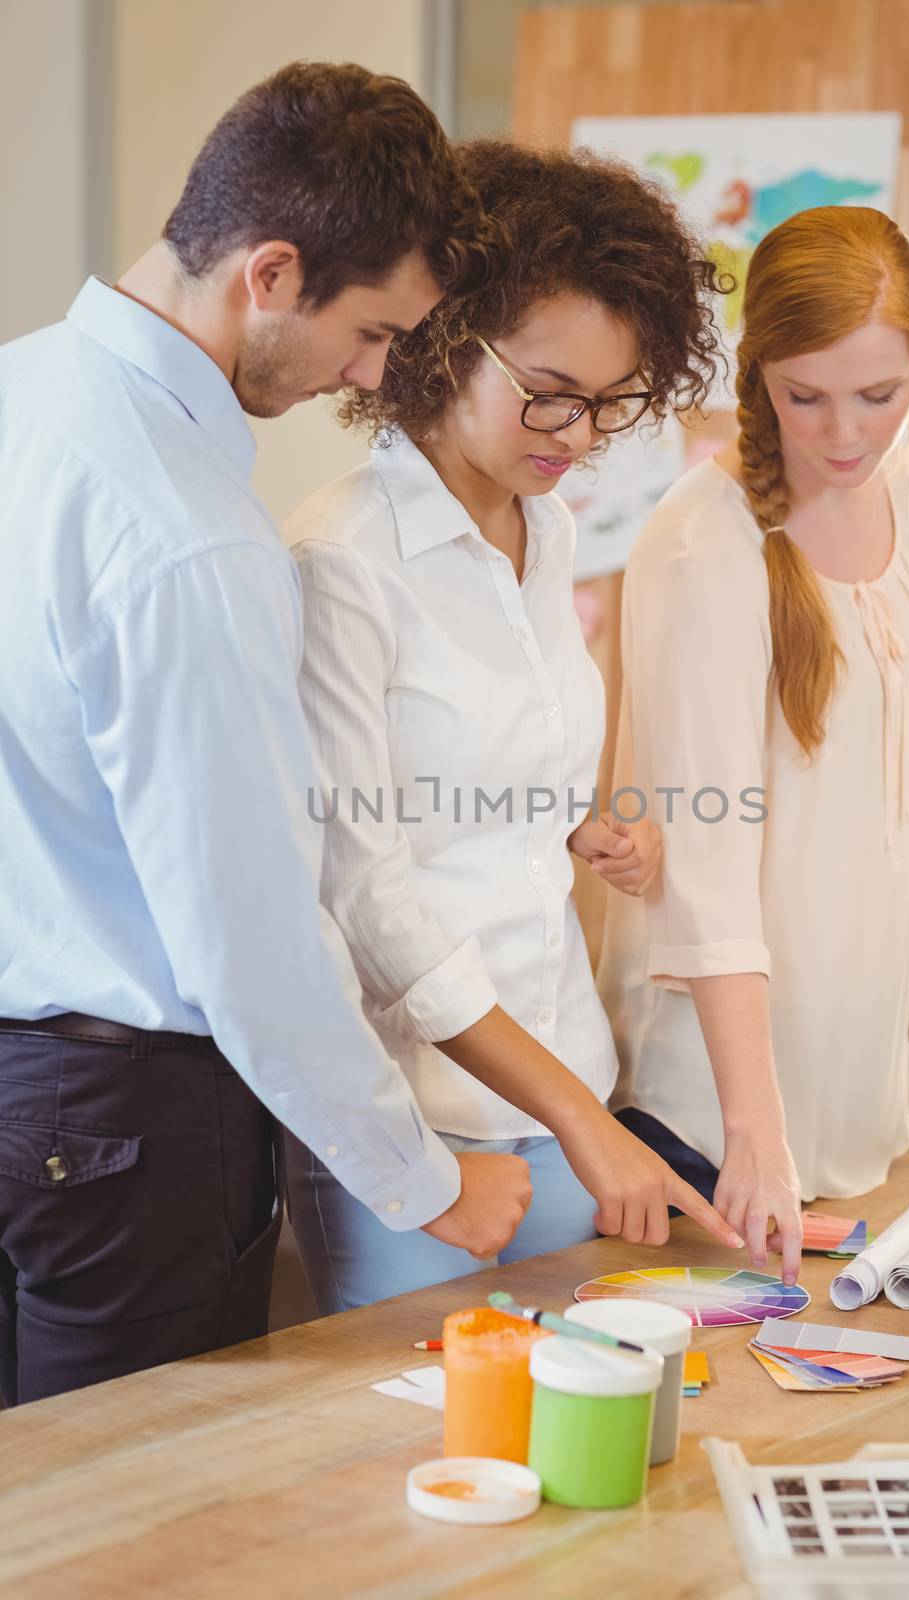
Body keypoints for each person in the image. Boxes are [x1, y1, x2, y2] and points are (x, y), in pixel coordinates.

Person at [0, 62, 536, 1407]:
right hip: (124, 1121)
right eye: (369, 333)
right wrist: (428, 1178)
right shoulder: (191, 536)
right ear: (272, 272)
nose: (365, 376)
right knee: (126, 1526)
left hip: (27, 1090)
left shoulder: (18, 400)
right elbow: (248, 940)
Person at [284, 140, 747, 1310]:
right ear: (441, 337)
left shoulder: (550, 535)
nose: (579, 435)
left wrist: (578, 817)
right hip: (436, 1140)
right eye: (549, 392)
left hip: (569, 1096)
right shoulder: (340, 560)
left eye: (609, 404)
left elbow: (476, 765)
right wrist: (577, 1117)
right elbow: (366, 896)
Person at [601, 206, 909, 1286]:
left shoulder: (906, 492)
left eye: (877, 397)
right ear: (756, 379)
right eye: (804, 397)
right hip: (721, 1114)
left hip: (857, 1095)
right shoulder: (704, 546)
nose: (842, 434)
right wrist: (753, 1131)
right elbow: (705, 863)